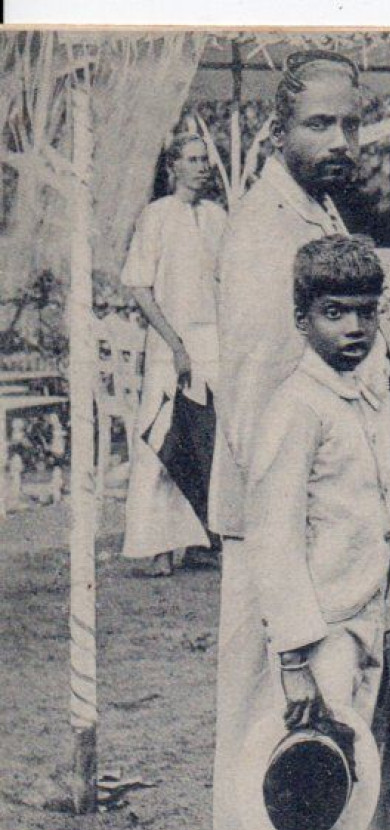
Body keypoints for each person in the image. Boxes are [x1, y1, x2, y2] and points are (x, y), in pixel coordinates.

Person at [210, 50, 390, 830]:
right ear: (276, 132)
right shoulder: (262, 232)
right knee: (280, 720)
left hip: (331, 522)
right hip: (282, 522)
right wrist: (298, 530)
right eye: (320, 126)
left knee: (339, 720)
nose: (340, 142)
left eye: (351, 125)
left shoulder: (321, 215)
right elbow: (258, 402)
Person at [249, 235, 390, 830]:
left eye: (365, 311)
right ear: (301, 317)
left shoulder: (365, 393)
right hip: (319, 638)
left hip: (362, 617)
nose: (353, 328)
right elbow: (272, 541)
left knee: (342, 790)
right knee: (309, 797)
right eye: (333, 312)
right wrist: (295, 657)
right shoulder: (297, 405)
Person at [119, 133, 225, 576]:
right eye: (194, 160)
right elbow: (140, 287)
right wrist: (176, 345)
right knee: (161, 438)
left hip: (213, 341)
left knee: (210, 441)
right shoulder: (157, 216)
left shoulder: (218, 217)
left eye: (206, 160)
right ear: (173, 167)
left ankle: (204, 539)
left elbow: (228, 284)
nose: (203, 167)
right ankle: (157, 546)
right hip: (169, 342)